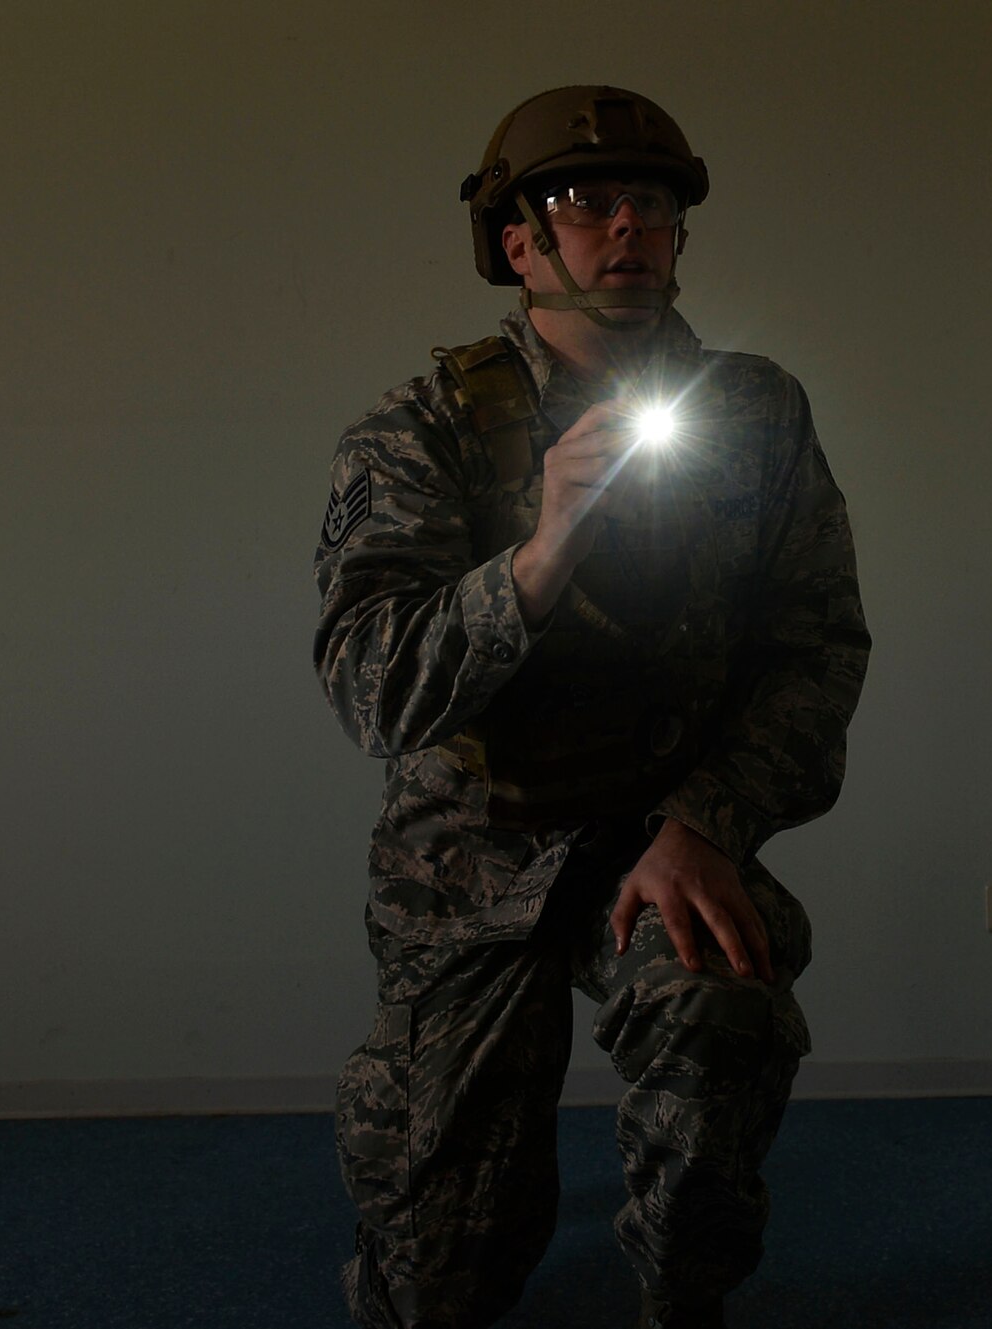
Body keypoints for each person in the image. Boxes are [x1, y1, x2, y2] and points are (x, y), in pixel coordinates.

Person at [311, 85, 870, 1329]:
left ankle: (686, 1302)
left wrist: (705, 823)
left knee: (720, 1014)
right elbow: (372, 683)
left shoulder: (756, 413)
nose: (623, 227)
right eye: (583, 202)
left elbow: (815, 647)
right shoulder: (424, 429)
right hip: (471, 862)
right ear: (518, 242)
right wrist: (541, 554)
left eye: (651, 203)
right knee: (438, 1273)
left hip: (658, 836)